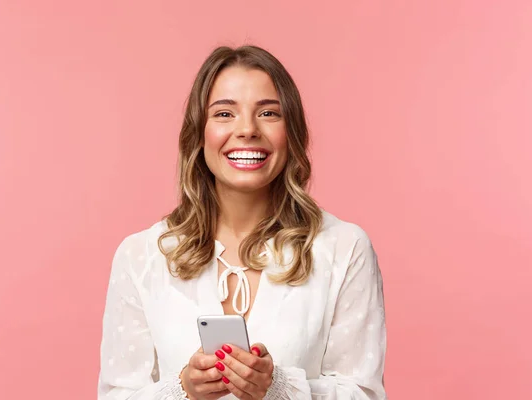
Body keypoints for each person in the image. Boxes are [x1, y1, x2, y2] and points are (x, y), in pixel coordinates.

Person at [98, 45, 387, 400]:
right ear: (199, 132)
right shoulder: (141, 256)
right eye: (224, 114)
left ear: (291, 131)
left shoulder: (344, 248)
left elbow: (364, 394)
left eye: (268, 113)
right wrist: (182, 390)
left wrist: (277, 386)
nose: (247, 129)